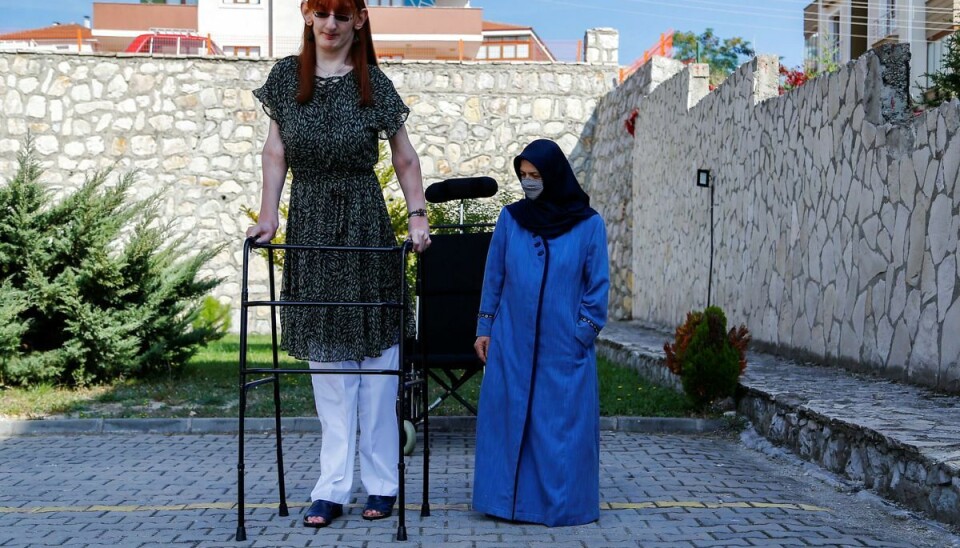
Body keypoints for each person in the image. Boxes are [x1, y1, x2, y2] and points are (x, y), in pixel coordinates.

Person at [245, 0, 430, 529]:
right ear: (307, 15)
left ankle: (382, 484)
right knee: (328, 370)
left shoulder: (373, 80)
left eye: (341, 15)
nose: (331, 24)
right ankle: (330, 488)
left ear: (359, 21)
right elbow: (275, 152)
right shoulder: (286, 76)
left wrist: (418, 215)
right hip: (311, 228)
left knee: (376, 370)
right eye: (322, 12)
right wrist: (268, 217)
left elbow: (404, 155)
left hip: (365, 223)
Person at [472, 139, 610, 527]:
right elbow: (494, 277)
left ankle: (559, 507)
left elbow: (597, 290)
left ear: (555, 175)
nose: (529, 183)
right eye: (524, 176)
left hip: (563, 350)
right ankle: (503, 503)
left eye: (536, 176)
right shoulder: (511, 220)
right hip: (512, 343)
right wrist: (485, 327)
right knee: (509, 420)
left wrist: (579, 336)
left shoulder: (589, 225)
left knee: (558, 429)